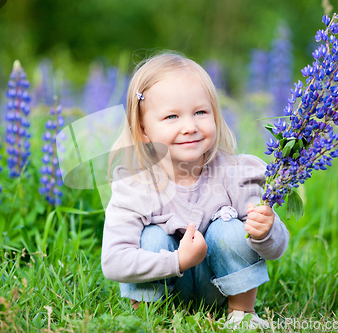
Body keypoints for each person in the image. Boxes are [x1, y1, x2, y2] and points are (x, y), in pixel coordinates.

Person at [101, 51, 289, 328]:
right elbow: (113, 262)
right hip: (164, 292)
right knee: (152, 237)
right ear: (143, 130)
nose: (189, 127)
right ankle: (147, 319)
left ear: (215, 115)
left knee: (229, 230)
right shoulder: (135, 186)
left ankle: (242, 315)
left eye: (200, 112)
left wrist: (266, 232)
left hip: (220, 291)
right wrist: (177, 260)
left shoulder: (234, 174)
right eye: (172, 117)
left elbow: (277, 248)